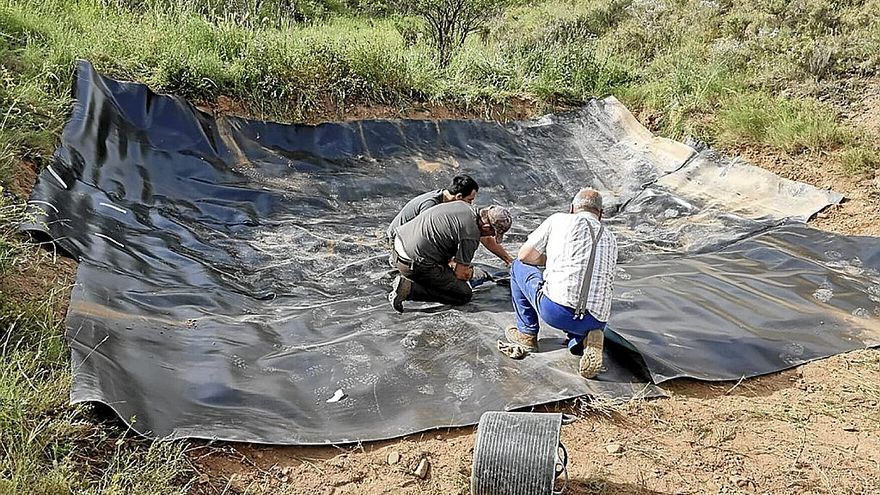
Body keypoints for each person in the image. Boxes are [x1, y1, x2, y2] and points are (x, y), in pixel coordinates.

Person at [504, 188, 618, 379]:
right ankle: (585, 339)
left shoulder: (559, 220)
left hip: (556, 312)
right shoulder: (611, 238)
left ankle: (527, 335)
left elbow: (525, 255)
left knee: (517, 266)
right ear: (601, 214)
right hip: (597, 320)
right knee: (586, 301)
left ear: (572, 208)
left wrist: (552, 259)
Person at [387, 202, 512, 312]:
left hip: (398, 244)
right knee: (463, 293)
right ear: (486, 227)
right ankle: (410, 289)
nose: (491, 236)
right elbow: (460, 274)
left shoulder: (464, 207)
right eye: (493, 233)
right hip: (412, 262)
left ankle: (414, 276)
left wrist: (508, 259)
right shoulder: (470, 234)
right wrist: (473, 273)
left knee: (447, 264)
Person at [386, 175, 513, 265]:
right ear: (458, 196)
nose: (471, 204)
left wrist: (507, 259)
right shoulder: (430, 205)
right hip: (399, 239)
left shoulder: (451, 204)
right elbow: (427, 237)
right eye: (469, 200)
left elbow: (483, 236)